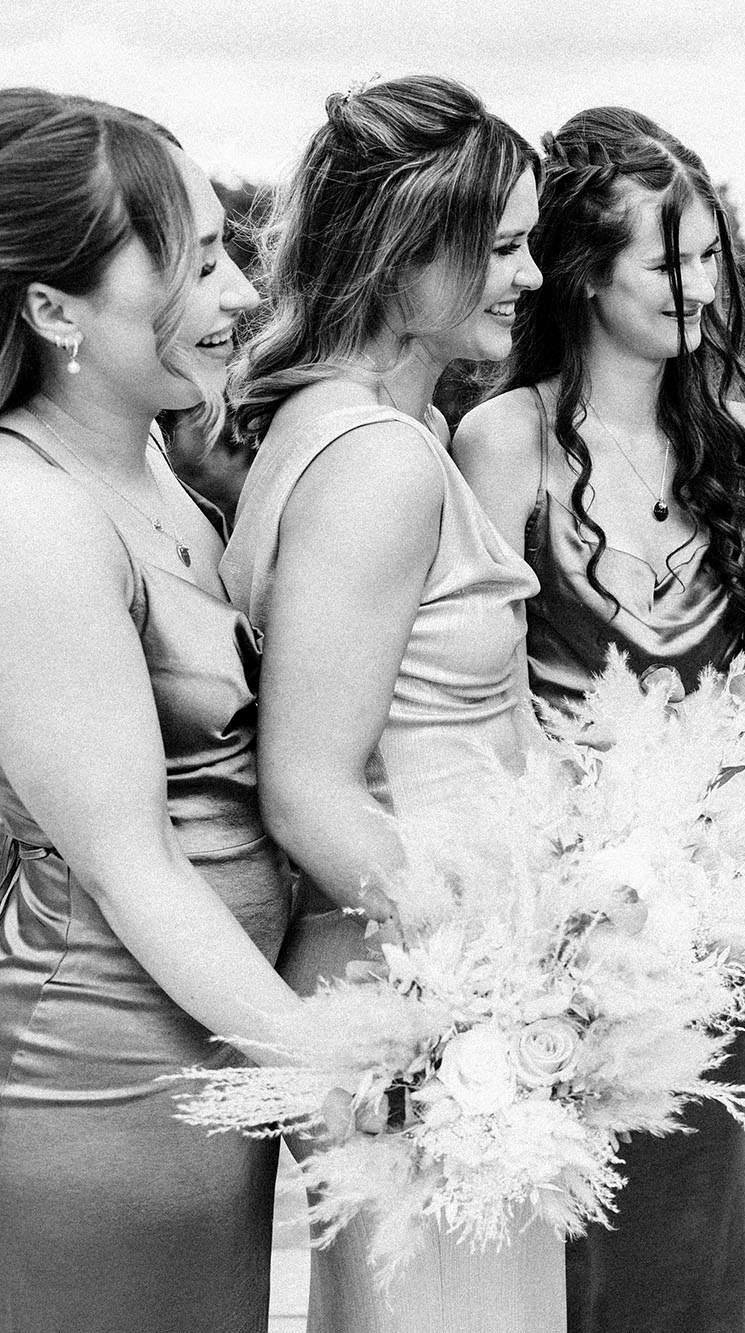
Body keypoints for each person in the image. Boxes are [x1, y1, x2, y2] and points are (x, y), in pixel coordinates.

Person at [219, 75, 559, 1332]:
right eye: (503, 247)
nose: (530, 277)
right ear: (408, 247)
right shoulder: (378, 461)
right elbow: (309, 787)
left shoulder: (353, 426)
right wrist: (487, 992)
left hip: (440, 973)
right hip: (422, 994)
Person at [455, 105, 745, 1333]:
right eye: (665, 260)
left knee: (695, 1219)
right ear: (585, 271)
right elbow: (477, 689)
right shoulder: (503, 441)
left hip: (708, 917)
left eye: (708, 257)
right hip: (557, 915)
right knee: (574, 1230)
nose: (696, 286)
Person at [0, 89, 305, 1333]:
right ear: (53, 309)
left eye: (229, 251)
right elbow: (133, 867)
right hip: (98, 1090)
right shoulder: (30, 514)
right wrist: (344, 1067)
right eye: (193, 264)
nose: (240, 294)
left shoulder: (152, 465)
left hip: (211, 1072)